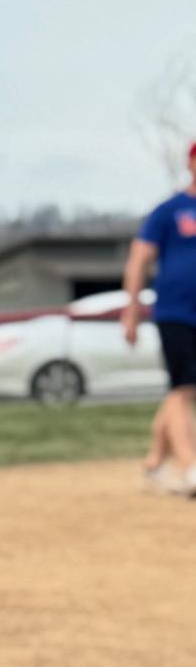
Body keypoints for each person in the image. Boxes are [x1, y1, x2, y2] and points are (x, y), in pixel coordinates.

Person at [124, 141, 196, 496]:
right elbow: (139, 258)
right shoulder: (170, 211)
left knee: (181, 390)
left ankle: (155, 462)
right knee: (184, 388)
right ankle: (190, 466)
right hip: (175, 312)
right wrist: (131, 309)